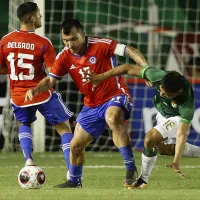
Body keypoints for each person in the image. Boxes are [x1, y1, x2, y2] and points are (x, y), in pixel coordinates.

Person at [25, 19, 149, 188]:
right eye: (66, 41)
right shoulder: (64, 56)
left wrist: (146, 69)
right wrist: (35, 89)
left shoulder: (101, 44)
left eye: (74, 39)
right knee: (75, 146)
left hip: (115, 95)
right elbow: (50, 80)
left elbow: (130, 51)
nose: (70, 44)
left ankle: (130, 168)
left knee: (112, 118)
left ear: (83, 34)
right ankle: (74, 181)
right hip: (91, 105)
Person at [82, 63, 195, 189]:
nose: (161, 95)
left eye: (166, 94)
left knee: (149, 138)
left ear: (178, 93)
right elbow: (127, 68)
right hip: (162, 113)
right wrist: (101, 77)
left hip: (177, 116)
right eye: (161, 90)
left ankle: (142, 180)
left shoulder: (186, 106)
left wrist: (176, 161)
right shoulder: (157, 76)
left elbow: (181, 134)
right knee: (164, 149)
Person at [0, 2, 74, 174]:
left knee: (24, 123)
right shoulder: (43, 42)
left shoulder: (5, 40)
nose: (40, 17)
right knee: (64, 127)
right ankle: (72, 170)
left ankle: (29, 161)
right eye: (39, 14)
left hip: (18, 95)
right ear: (33, 18)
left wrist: (13, 71)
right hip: (42, 93)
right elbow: (53, 74)